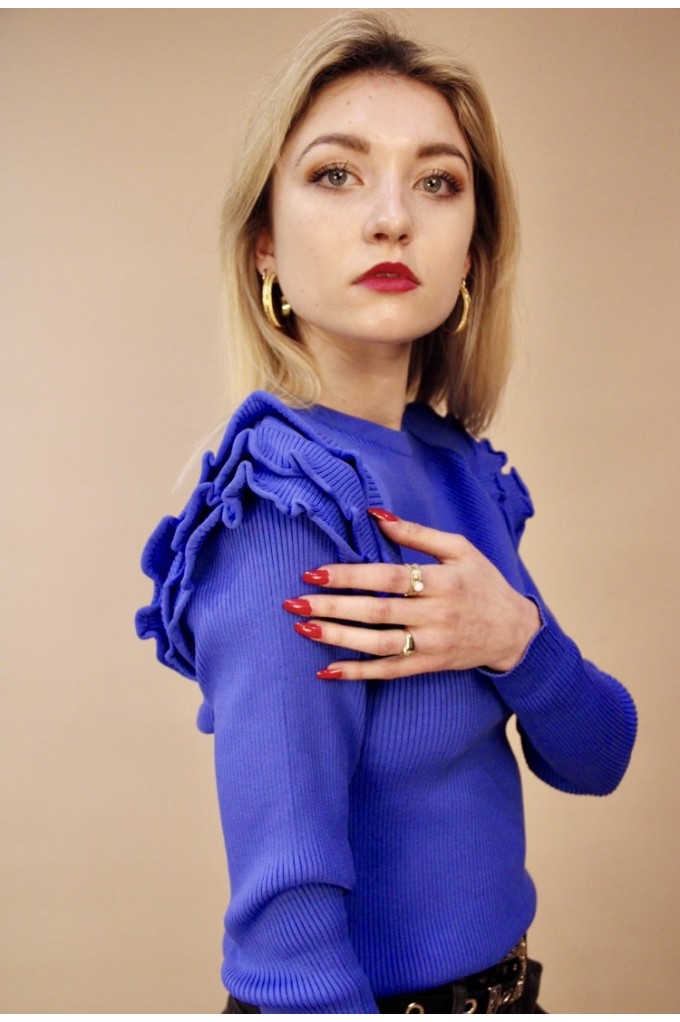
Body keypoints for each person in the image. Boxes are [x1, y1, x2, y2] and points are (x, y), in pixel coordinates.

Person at [136, 12, 637, 1015]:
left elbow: (597, 755)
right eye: (337, 174)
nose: (392, 218)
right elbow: (289, 944)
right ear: (264, 245)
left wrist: (513, 636)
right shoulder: (283, 506)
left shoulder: (456, 469)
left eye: (437, 181)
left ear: (472, 251)